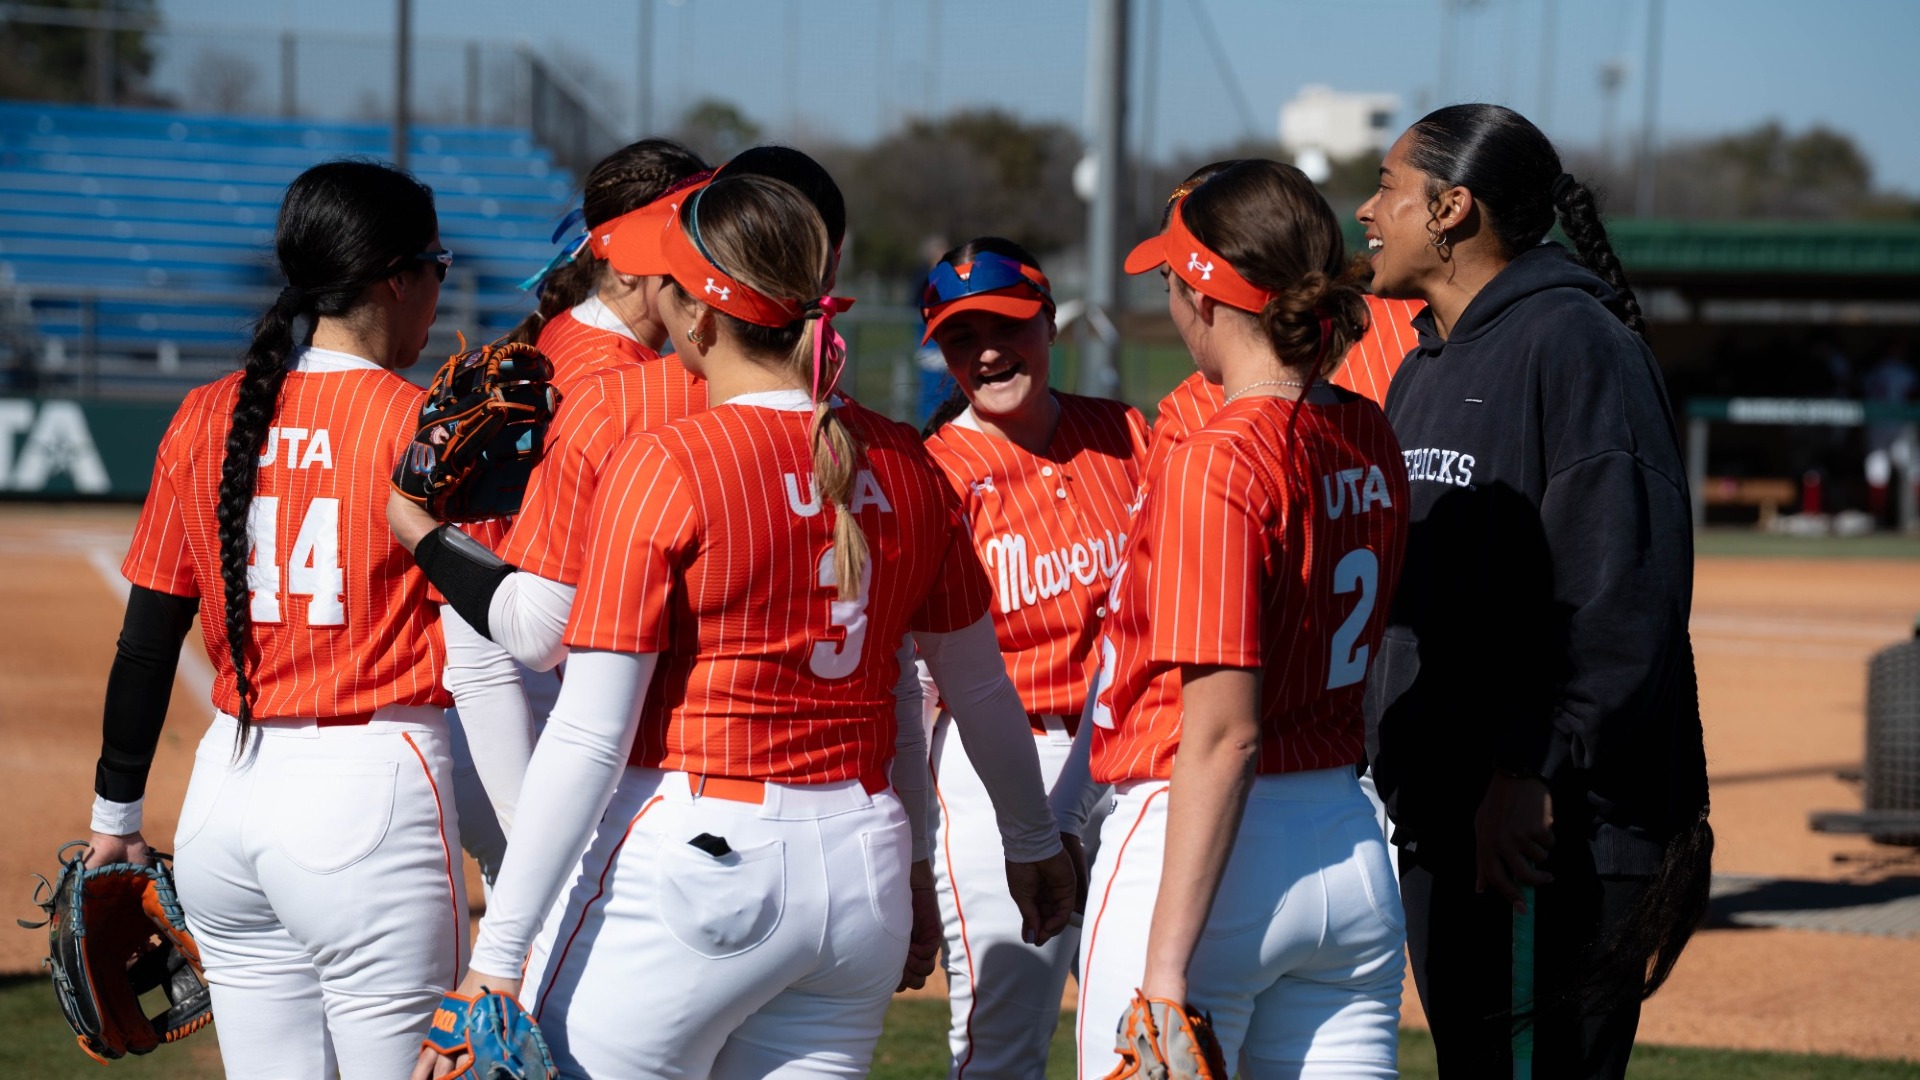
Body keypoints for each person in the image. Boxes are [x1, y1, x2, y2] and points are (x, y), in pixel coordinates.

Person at [403, 171, 1077, 1080]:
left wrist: (496, 957)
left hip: (700, 859)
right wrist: (1029, 841)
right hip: (861, 868)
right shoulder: (908, 461)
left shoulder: (667, 460)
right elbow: (975, 688)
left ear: (697, 315)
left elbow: (592, 733)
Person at [83, 159, 466, 1078]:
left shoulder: (208, 413)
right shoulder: (423, 427)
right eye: (438, 267)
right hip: (373, 796)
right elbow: (506, 647)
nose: (439, 292)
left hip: (225, 794)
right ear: (394, 277)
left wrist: (115, 819)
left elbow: (147, 643)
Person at [1356, 103, 1712, 1079]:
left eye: (1388, 187)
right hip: (1447, 818)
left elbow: (1617, 592)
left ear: (1452, 210)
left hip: (1549, 832)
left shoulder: (1577, 344)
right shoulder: (1422, 365)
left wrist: (1529, 771)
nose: (1365, 210)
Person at [1078, 159, 1411, 1080]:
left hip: (1203, 855)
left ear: (1204, 295)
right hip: (1348, 837)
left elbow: (1222, 737)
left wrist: (1164, 968)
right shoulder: (1367, 430)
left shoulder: (1215, 457)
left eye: (1172, 282)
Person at [443, 138, 710, 888]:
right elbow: (541, 620)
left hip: (501, 693)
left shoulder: (573, 335)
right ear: (629, 264)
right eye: (685, 240)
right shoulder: (614, 376)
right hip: (518, 695)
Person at [917, 237, 1148, 1080]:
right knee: (1003, 1041)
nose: (985, 350)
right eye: (959, 333)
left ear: (1049, 323)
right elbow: (917, 683)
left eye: (1008, 325)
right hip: (997, 769)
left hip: (1131, 757)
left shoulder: (1124, 434)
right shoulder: (934, 472)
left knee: (1141, 1028)